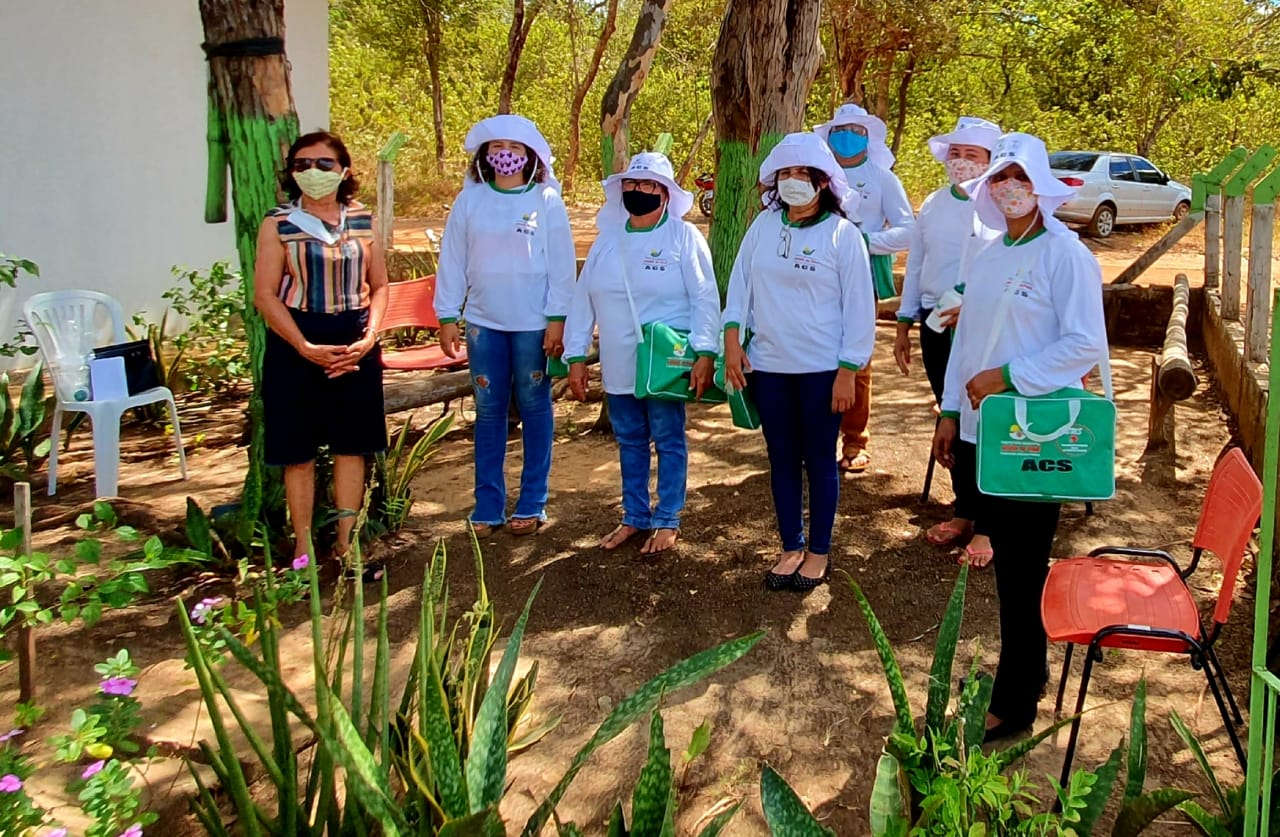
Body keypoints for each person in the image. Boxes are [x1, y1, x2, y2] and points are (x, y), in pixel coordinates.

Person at [932, 132, 1108, 741]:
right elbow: (967, 344)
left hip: (1035, 433)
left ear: (1040, 185)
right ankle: (1025, 672)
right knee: (1010, 561)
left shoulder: (1066, 255)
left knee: (1024, 565)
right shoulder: (993, 254)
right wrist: (950, 411)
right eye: (999, 178)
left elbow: (1084, 343)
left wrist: (1006, 376)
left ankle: (1015, 700)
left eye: (1019, 177)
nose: (1008, 188)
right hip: (986, 427)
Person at [721, 132, 877, 592]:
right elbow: (739, 287)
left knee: (820, 461)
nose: (793, 182)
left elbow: (858, 310)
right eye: (785, 174)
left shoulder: (843, 236)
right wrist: (732, 340)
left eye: (802, 175)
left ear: (823, 182)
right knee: (782, 459)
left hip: (823, 372)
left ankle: (819, 552)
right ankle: (791, 545)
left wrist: (849, 369)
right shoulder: (763, 228)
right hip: (769, 368)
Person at [563, 153, 721, 554]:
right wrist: (576, 355)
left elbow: (705, 297)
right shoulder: (606, 241)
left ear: (666, 194)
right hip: (618, 362)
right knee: (630, 439)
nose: (639, 192)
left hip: (663, 364)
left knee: (668, 439)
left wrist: (706, 351)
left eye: (649, 186)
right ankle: (634, 515)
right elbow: (583, 300)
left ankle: (668, 519)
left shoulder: (684, 239)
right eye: (632, 185)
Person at [253, 130, 389, 579]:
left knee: (353, 447)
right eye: (303, 164)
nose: (313, 172)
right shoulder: (278, 224)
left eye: (324, 164)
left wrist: (369, 338)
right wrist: (303, 345)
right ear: (292, 172)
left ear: (344, 170)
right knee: (298, 452)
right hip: (297, 341)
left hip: (355, 338)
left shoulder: (364, 221)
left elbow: (380, 285)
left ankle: (348, 549)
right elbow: (266, 296)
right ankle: (304, 552)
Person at [435, 115, 576, 537]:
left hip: (534, 326)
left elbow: (562, 265)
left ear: (531, 156)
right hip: (483, 324)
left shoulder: (546, 200)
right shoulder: (469, 201)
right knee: (489, 413)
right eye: (498, 147)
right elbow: (453, 260)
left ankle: (532, 501)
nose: (506, 155)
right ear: (484, 155)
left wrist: (557, 319)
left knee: (535, 408)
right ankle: (488, 504)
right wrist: (447, 315)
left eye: (516, 149)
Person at [893, 117, 1002, 564]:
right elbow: (916, 264)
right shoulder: (935, 205)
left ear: (991, 163)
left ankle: (991, 523)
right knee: (951, 412)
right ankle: (965, 509)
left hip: (988, 332)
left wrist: (972, 304)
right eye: (955, 154)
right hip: (938, 326)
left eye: (971, 156)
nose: (961, 163)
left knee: (990, 420)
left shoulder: (998, 207)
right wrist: (904, 321)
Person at [814, 104, 915, 475]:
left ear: (868, 136)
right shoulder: (817, 174)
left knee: (856, 361)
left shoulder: (882, 178)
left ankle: (855, 440)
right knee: (815, 355)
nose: (848, 136)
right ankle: (817, 438)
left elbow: (907, 229)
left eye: (857, 130)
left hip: (863, 274)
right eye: (842, 129)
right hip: (816, 275)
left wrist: (865, 240)